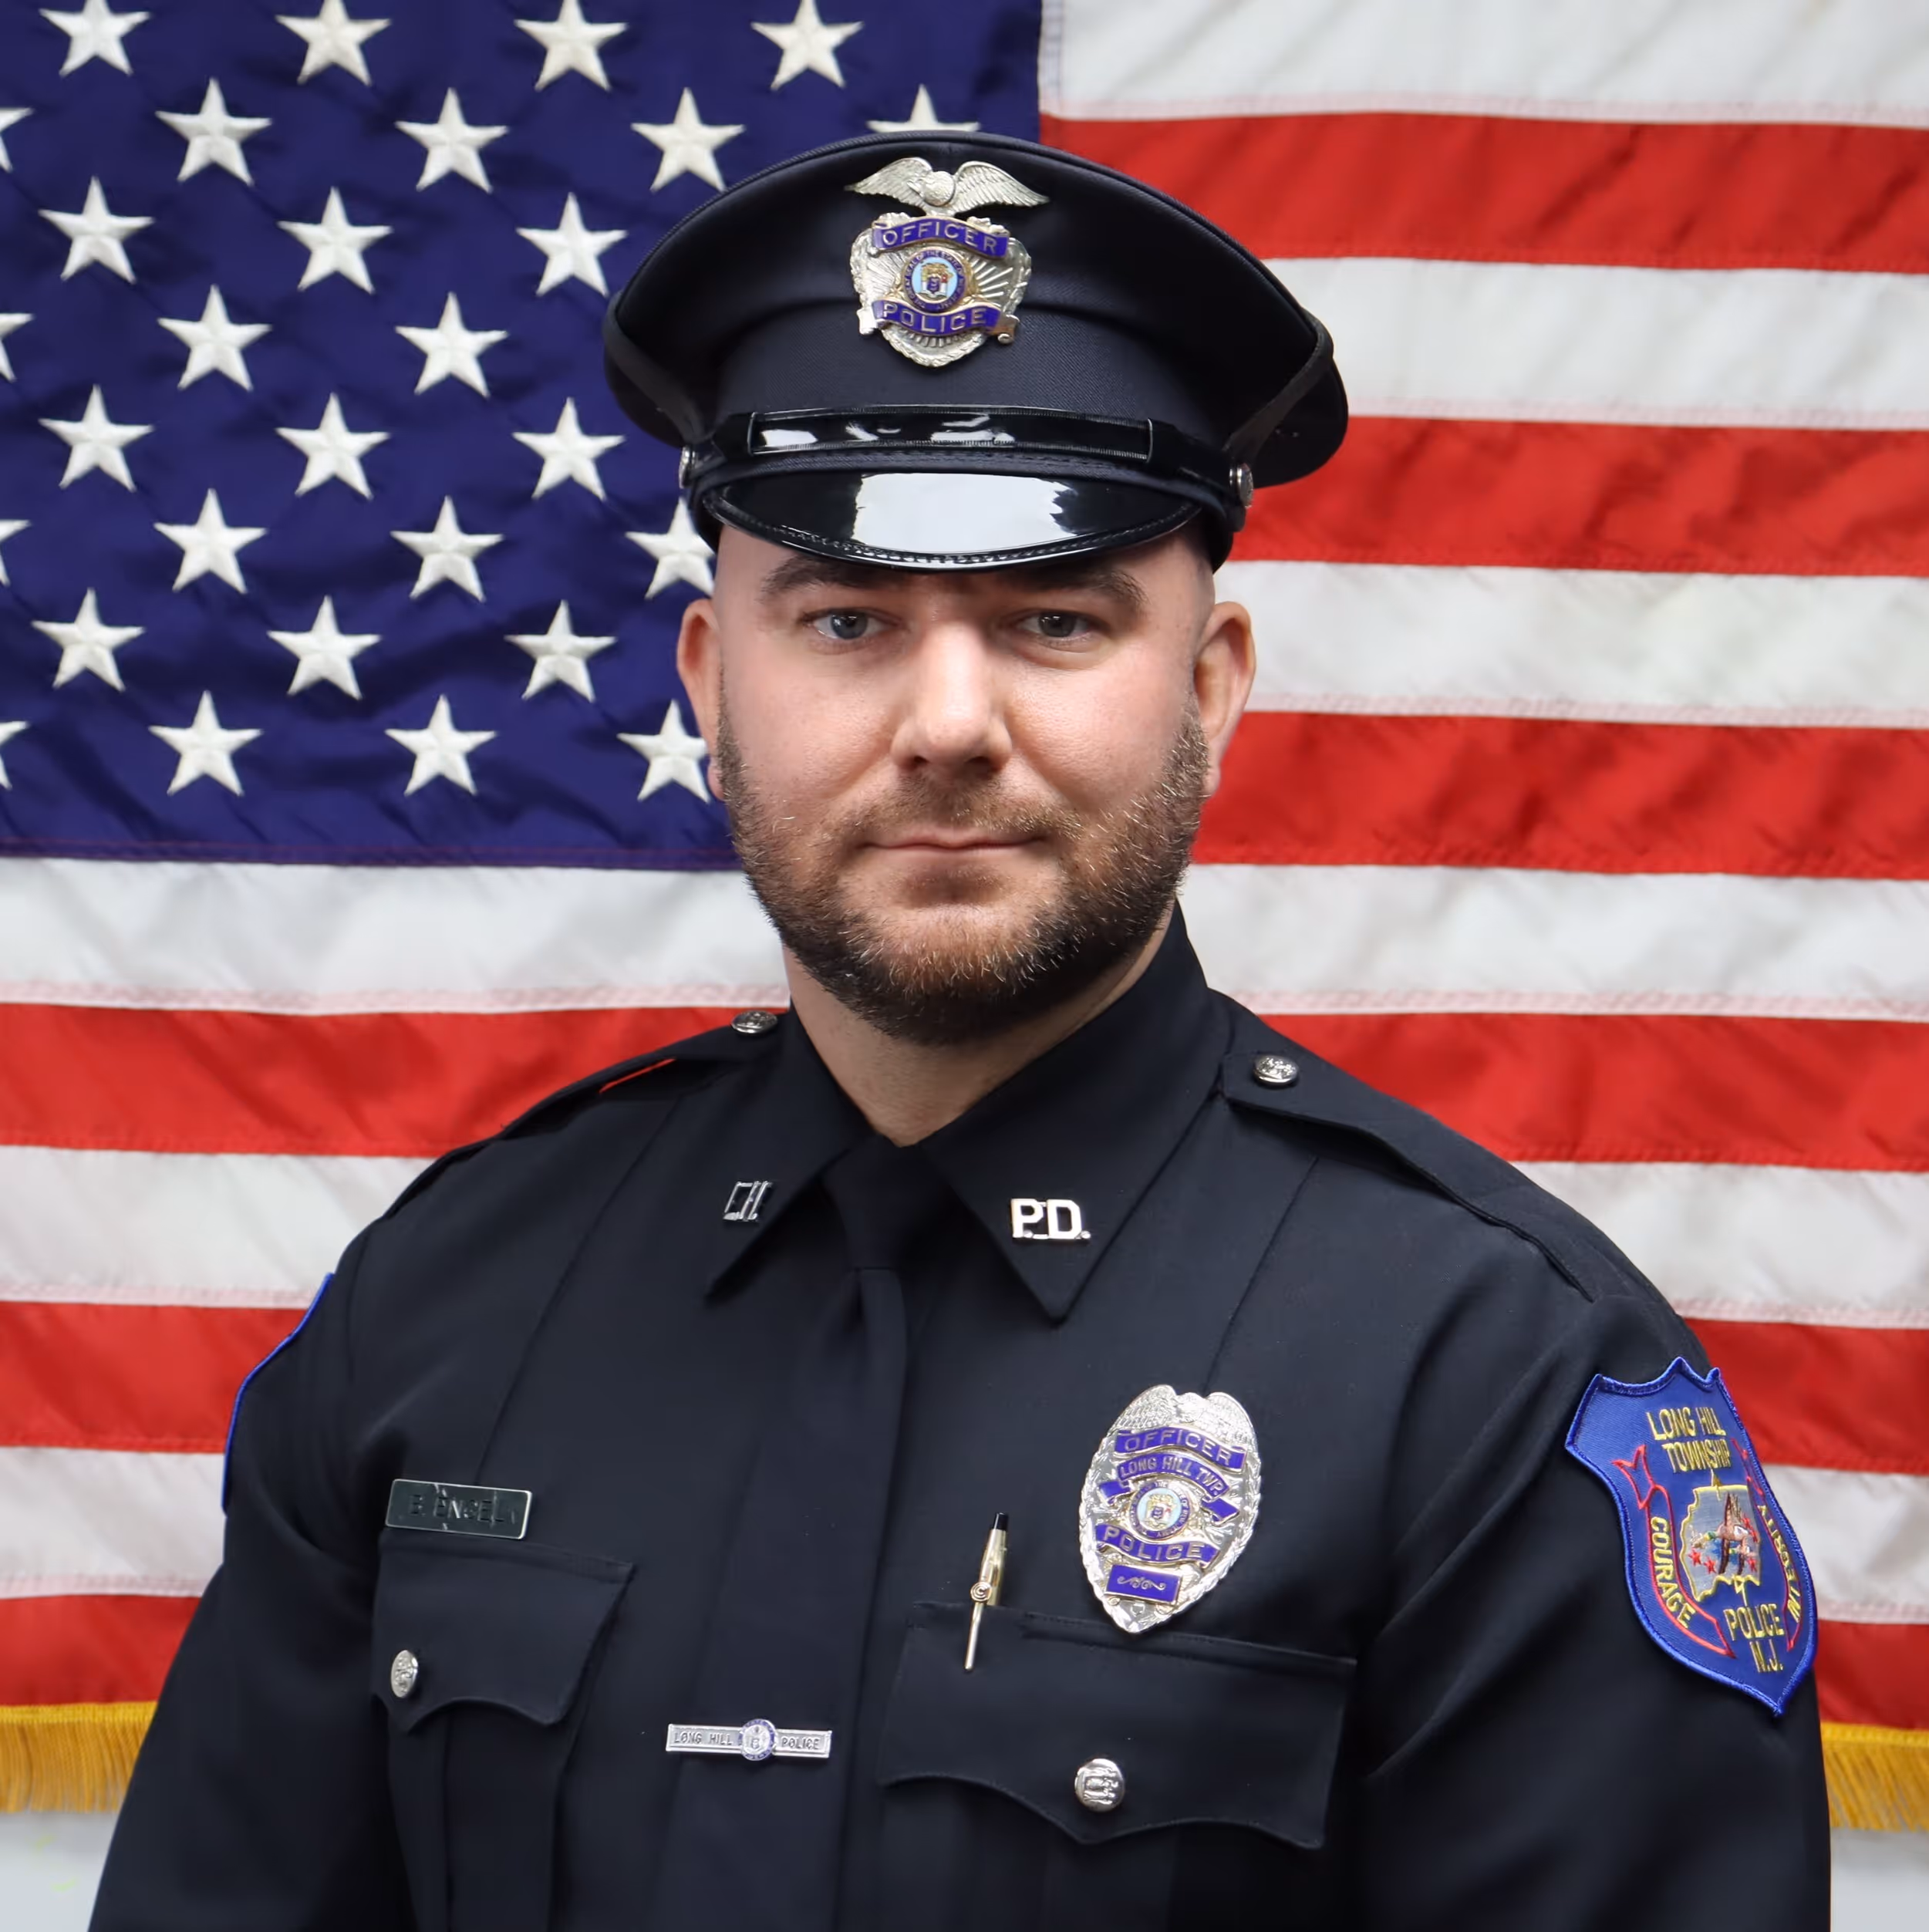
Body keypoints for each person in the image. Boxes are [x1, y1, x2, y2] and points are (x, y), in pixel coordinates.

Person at [92, 130, 1830, 1932]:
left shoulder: (1488, 1382)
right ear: (706, 681)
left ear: (1211, 686)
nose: (946, 722)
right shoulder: (446, 1307)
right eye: (845, 619)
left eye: (1052, 621)